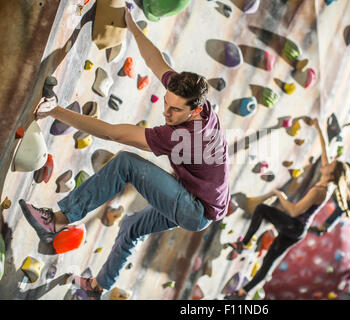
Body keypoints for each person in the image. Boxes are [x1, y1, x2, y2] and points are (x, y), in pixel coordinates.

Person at [19, 8, 230, 299]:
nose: (165, 112)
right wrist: (131, 24)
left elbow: (112, 134)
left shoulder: (181, 136)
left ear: (194, 110)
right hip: (199, 199)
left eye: (175, 109)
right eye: (166, 102)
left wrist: (55, 110)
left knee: (126, 164)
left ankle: (56, 220)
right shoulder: (200, 105)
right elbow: (157, 60)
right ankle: (97, 288)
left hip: (195, 208)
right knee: (131, 226)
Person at [224, 118, 350, 300]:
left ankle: (243, 244)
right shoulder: (328, 181)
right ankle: (243, 293)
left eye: (329, 166)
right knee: (268, 261)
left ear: (331, 174)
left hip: (294, 225)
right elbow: (326, 154)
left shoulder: (320, 191)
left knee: (261, 209)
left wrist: (280, 195)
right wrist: (318, 127)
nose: (326, 164)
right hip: (298, 231)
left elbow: (293, 211)